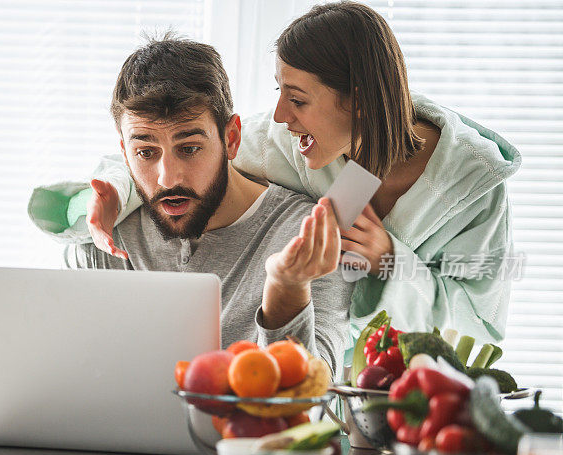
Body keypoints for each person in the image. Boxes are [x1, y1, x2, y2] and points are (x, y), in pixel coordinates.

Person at [29, 2, 520, 361]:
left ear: (360, 102)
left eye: (299, 99)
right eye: (279, 94)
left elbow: (481, 327)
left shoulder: (473, 187)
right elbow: (171, 154)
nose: (282, 115)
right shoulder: (290, 140)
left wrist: (392, 262)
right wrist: (111, 190)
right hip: (343, 386)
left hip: (411, 397)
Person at [60, 36, 353, 375]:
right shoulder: (106, 239)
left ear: (231, 138)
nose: (168, 179)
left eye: (189, 148)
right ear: (125, 152)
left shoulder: (307, 239)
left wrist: (286, 295)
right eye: (146, 152)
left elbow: (310, 411)